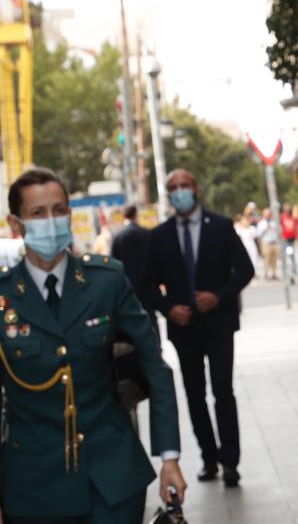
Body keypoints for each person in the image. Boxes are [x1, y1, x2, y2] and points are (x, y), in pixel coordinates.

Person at [0, 168, 186, 522]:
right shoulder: (4, 296)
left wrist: (170, 457)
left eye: (59, 210)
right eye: (38, 213)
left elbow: (153, 364)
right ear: (16, 223)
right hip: (32, 485)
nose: (51, 221)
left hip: (111, 476)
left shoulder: (106, 280)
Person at [143, 169, 254, 489]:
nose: (179, 192)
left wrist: (218, 297)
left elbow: (244, 269)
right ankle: (208, 457)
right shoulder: (160, 235)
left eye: (184, 186)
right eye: (172, 187)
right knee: (194, 395)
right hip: (184, 328)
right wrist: (167, 308)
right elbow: (147, 283)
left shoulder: (220, 227)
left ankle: (230, 462)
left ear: (196, 189)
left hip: (219, 324)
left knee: (223, 391)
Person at [111, 204, 158, 337]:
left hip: (126, 288)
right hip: (147, 287)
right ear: (136, 214)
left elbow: (113, 264)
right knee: (151, 320)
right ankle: (156, 348)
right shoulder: (147, 234)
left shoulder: (118, 237)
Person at [233, 213, 261, 280]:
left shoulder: (251, 228)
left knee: (254, 258)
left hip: (251, 245)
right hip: (242, 245)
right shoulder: (237, 228)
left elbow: (255, 235)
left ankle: (254, 273)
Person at [255, 208, 280, 281]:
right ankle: (266, 274)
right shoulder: (261, 223)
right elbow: (258, 234)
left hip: (274, 242)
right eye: (266, 214)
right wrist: (265, 228)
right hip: (266, 243)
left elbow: (278, 232)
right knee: (266, 259)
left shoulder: (274, 222)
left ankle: (274, 274)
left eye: (269, 214)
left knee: (274, 259)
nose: (268, 216)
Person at [279, 204, 297, 277]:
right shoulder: (282, 216)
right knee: (285, 255)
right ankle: (284, 270)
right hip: (285, 239)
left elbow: (295, 226)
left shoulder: (292, 216)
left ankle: (293, 269)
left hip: (291, 239)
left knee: (291, 254)